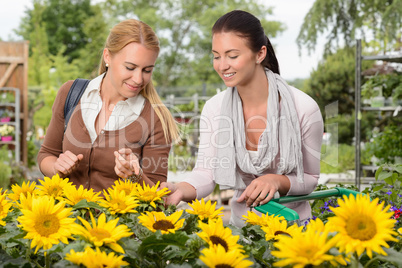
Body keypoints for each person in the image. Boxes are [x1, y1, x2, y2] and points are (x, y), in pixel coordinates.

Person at [161, 10, 324, 227]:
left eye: (232, 55)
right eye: (216, 56)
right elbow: (205, 173)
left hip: (292, 229)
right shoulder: (215, 108)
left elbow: (311, 178)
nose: (222, 65)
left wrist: (276, 180)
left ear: (259, 54)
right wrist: (180, 188)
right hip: (242, 229)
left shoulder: (303, 108)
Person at [37, 19, 179, 192]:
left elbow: (159, 197)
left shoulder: (156, 118)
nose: (138, 79)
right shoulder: (70, 93)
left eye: (147, 70)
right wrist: (56, 167)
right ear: (107, 57)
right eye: (130, 67)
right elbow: (46, 155)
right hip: (65, 217)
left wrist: (135, 176)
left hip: (120, 219)